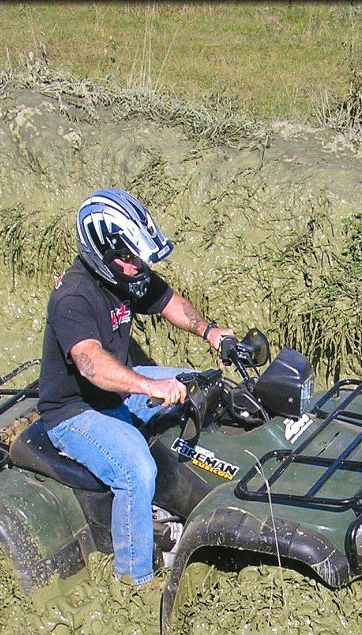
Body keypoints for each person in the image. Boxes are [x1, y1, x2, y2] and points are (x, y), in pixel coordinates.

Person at [37, 188, 234, 589]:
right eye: (130, 259)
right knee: (136, 471)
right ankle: (135, 579)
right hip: (76, 411)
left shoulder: (127, 274)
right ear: (102, 253)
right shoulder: (72, 297)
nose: (138, 268)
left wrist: (210, 332)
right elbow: (90, 365)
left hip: (118, 388)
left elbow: (167, 301)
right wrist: (149, 385)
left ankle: (189, 503)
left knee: (201, 387)